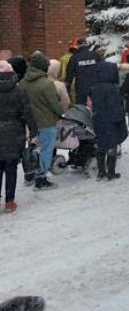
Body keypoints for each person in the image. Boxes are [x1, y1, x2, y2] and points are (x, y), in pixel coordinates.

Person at [21, 52, 64, 190]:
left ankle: (30, 175)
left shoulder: (22, 83)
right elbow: (55, 105)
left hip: (30, 124)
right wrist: (60, 114)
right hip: (46, 122)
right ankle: (41, 180)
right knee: (45, 151)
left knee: (33, 149)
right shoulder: (46, 84)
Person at [0, 60, 38, 213]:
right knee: (11, 167)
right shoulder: (19, 91)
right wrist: (33, 131)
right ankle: (9, 202)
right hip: (14, 133)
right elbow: (27, 113)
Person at [91, 60, 128, 181]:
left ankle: (101, 171)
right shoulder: (113, 88)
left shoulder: (94, 87)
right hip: (111, 121)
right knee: (112, 145)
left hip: (98, 119)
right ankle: (111, 172)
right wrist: (120, 121)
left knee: (101, 145)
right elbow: (115, 107)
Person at [64, 37, 100, 105]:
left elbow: (69, 74)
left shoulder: (74, 57)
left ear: (77, 46)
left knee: (81, 106)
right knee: (97, 105)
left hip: (81, 87)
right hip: (95, 85)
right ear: (86, 45)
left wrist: (67, 88)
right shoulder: (95, 55)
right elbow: (102, 68)